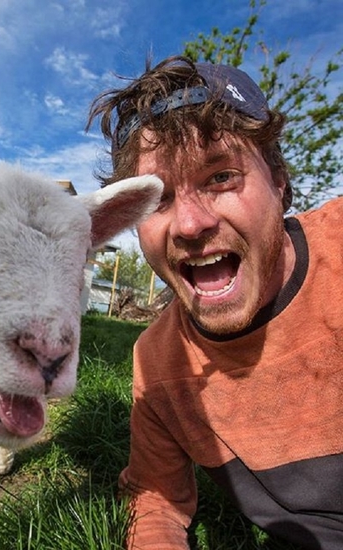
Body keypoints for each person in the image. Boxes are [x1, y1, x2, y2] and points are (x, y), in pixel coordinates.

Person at [87, 55, 343, 549]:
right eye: (157, 198)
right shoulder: (158, 363)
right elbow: (154, 498)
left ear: (278, 182)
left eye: (221, 177)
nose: (189, 224)